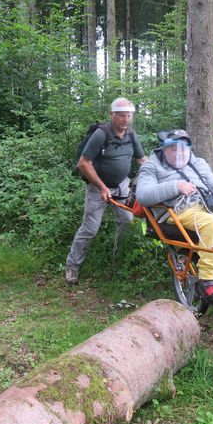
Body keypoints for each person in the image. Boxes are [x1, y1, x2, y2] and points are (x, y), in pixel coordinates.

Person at [135, 129, 213, 305]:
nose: (179, 152)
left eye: (183, 148)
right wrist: (176, 185)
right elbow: (143, 195)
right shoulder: (152, 166)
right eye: (173, 148)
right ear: (164, 148)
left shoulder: (197, 163)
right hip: (177, 209)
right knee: (211, 224)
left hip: (207, 205)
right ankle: (207, 280)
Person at [64, 97, 147, 285]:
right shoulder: (101, 134)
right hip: (97, 187)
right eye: (122, 116)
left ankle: (118, 262)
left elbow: (142, 160)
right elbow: (83, 163)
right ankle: (72, 267)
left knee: (126, 221)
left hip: (122, 185)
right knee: (90, 229)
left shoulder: (132, 136)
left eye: (129, 115)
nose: (126, 119)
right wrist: (101, 187)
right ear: (112, 115)